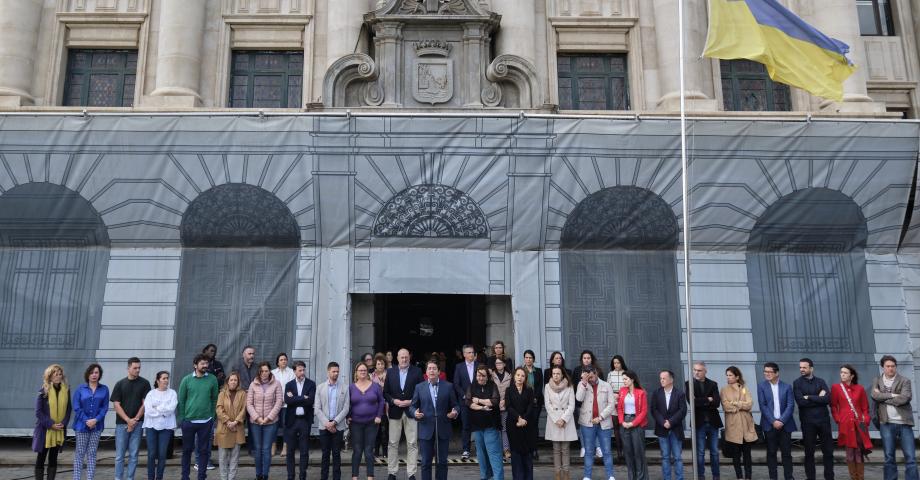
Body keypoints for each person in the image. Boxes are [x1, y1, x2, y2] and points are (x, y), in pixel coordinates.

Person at [410, 359, 460, 480]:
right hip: (426, 428)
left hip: (443, 428)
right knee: (426, 462)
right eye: (429, 368)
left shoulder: (448, 386)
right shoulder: (419, 387)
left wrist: (455, 412)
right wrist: (414, 413)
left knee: (442, 462)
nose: (431, 370)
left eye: (434, 368)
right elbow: (412, 406)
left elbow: (456, 405)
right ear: (426, 372)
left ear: (439, 372)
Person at [870, 355, 917, 480]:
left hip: (904, 423)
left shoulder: (904, 380)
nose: (891, 368)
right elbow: (874, 395)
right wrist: (892, 395)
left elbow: (905, 398)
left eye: (893, 366)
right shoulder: (877, 380)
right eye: (888, 366)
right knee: (889, 457)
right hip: (886, 423)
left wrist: (883, 398)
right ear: (883, 367)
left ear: (896, 367)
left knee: (911, 457)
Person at [178, 354, 220, 480]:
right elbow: (182, 400)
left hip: (206, 422)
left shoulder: (212, 379)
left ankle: (202, 476)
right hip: (189, 422)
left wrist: (212, 417)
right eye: (202, 363)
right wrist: (183, 419)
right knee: (186, 451)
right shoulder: (186, 380)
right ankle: (185, 477)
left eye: (206, 363)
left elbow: (214, 399)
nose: (205, 365)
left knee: (204, 451)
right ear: (195, 365)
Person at [383, 348, 423, 480]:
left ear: (409, 358)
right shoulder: (390, 372)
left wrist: (411, 401)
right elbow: (386, 393)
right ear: (397, 358)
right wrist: (394, 401)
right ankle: (392, 472)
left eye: (406, 357)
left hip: (411, 412)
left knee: (412, 444)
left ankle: (411, 474)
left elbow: (421, 392)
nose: (404, 359)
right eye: (402, 357)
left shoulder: (417, 372)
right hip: (395, 411)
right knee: (392, 443)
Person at [793, 358, 834, 480]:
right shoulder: (797, 383)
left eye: (804, 367)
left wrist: (809, 397)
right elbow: (801, 402)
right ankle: (810, 478)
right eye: (800, 367)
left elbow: (827, 399)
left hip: (824, 422)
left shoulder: (821, 381)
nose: (801, 369)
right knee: (809, 453)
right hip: (808, 423)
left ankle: (830, 477)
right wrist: (818, 397)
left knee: (828, 452)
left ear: (811, 368)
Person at [112, 357, 151, 480]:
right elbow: (116, 405)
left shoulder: (145, 383)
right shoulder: (120, 384)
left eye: (139, 368)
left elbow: (145, 404)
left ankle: (130, 478)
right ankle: (118, 478)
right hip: (121, 424)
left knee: (134, 455)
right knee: (119, 456)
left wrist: (135, 419)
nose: (138, 370)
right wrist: (128, 420)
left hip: (138, 424)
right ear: (128, 368)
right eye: (135, 368)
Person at [831, 364, 872, 480]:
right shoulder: (836, 387)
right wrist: (838, 419)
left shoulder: (860, 388)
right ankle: (853, 477)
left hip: (860, 424)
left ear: (852, 376)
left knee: (859, 451)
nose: (842, 374)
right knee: (849, 452)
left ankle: (861, 477)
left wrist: (866, 419)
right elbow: (833, 406)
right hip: (846, 424)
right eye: (841, 372)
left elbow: (865, 408)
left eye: (845, 373)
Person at [575, 365, 616, 480]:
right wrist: (583, 383)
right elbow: (578, 398)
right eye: (588, 377)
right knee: (588, 451)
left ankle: (610, 476)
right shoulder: (582, 384)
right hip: (587, 423)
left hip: (604, 422)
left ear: (596, 373)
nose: (590, 379)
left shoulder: (606, 385)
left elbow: (611, 404)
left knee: (606, 450)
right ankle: (587, 476)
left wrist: (601, 417)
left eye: (591, 377)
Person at [758, 362, 797, 480]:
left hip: (785, 426)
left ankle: (789, 477)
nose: (767, 374)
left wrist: (781, 421)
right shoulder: (761, 386)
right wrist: (773, 421)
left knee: (786, 453)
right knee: (771, 453)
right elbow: (763, 405)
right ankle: (773, 477)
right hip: (769, 425)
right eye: (765, 371)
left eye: (770, 372)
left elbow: (790, 405)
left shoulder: (787, 387)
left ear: (777, 373)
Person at [33, 364, 71, 480]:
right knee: (41, 457)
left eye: (60, 374)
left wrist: (63, 423)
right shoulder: (43, 392)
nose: (58, 377)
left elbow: (69, 409)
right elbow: (38, 413)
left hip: (59, 429)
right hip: (45, 430)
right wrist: (51, 424)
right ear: (49, 376)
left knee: (53, 458)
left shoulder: (66, 390)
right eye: (56, 375)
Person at [247, 361, 283, 480]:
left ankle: (265, 474)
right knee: (257, 449)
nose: (264, 373)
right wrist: (257, 418)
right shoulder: (253, 384)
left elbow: (279, 402)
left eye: (266, 371)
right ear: (259, 372)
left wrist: (268, 418)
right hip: (256, 422)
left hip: (270, 422)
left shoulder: (276, 384)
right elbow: (249, 403)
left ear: (270, 371)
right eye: (261, 371)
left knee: (266, 449)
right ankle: (258, 475)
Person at [686, 361, 722, 480]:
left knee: (715, 452)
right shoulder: (688, 384)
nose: (696, 372)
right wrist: (708, 399)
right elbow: (692, 402)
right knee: (700, 452)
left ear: (705, 371)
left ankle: (716, 476)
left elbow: (717, 403)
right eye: (695, 370)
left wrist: (701, 400)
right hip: (699, 422)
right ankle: (700, 476)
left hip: (713, 422)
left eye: (699, 370)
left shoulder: (713, 384)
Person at [72, 363, 108, 480]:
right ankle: (76, 478)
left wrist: (96, 420)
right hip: (82, 426)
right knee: (80, 453)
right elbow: (77, 407)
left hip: (96, 427)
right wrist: (87, 420)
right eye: (91, 372)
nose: (94, 375)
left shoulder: (104, 389)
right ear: (87, 374)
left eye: (96, 372)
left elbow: (104, 407)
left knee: (92, 453)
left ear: (99, 375)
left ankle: (90, 478)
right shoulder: (80, 389)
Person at [350, 361, 385, 480]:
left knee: (369, 450)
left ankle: (370, 477)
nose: (363, 372)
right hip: (355, 423)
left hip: (372, 423)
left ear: (367, 372)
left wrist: (379, 416)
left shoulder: (375, 386)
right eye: (360, 370)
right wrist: (348, 416)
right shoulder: (351, 387)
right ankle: (355, 476)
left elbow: (381, 401)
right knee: (357, 450)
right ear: (356, 373)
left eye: (365, 370)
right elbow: (347, 403)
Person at [467, 364, 504, 480]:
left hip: (491, 426)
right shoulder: (472, 387)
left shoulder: (492, 386)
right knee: (481, 455)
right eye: (478, 375)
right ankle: (485, 477)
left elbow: (494, 401)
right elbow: (469, 403)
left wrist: (479, 400)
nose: (480, 378)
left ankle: (498, 478)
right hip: (477, 427)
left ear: (488, 376)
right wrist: (482, 407)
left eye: (483, 376)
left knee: (494, 454)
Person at [721, 366, 756, 480]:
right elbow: (726, 406)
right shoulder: (724, 390)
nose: (728, 377)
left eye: (730, 375)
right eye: (727, 375)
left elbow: (749, 404)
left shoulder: (744, 388)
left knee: (747, 454)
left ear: (737, 376)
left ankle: (748, 477)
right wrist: (740, 405)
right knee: (735, 455)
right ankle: (739, 477)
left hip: (746, 425)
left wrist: (736, 403)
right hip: (733, 426)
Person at [315, 362, 350, 480]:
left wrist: (334, 422)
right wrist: (327, 423)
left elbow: (346, 408)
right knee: (325, 454)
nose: (336, 373)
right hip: (324, 426)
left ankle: (337, 478)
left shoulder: (345, 388)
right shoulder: (320, 388)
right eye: (333, 371)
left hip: (338, 426)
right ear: (328, 371)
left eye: (337, 371)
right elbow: (317, 408)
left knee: (336, 454)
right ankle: (323, 477)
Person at [653, 370, 687, 480]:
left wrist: (671, 422)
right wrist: (663, 422)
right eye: (660, 378)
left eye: (664, 378)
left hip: (676, 430)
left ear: (671, 380)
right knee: (665, 457)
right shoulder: (657, 393)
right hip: (662, 430)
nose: (661, 380)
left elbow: (683, 411)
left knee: (677, 457)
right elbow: (654, 410)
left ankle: (679, 478)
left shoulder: (680, 393)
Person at [544, 365, 576, 480]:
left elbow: (572, 405)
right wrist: (556, 419)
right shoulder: (547, 386)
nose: (556, 376)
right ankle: (557, 474)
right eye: (554, 374)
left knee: (566, 450)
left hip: (566, 420)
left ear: (562, 374)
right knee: (556, 449)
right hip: (554, 421)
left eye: (558, 373)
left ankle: (566, 474)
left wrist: (563, 419)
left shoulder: (569, 386)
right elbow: (547, 405)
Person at [143, 371, 177, 480]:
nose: (166, 380)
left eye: (167, 378)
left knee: (162, 455)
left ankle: (159, 477)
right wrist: (163, 410)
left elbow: (171, 409)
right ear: (158, 380)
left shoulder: (172, 393)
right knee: (151, 454)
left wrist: (157, 407)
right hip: (151, 427)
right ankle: (150, 477)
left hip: (166, 427)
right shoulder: (151, 394)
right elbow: (148, 411)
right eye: (163, 378)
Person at [285, 360, 315, 480]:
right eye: (300, 370)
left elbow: (310, 401)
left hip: (304, 421)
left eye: (303, 370)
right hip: (292, 421)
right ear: (294, 371)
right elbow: (288, 401)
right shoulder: (289, 384)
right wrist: (303, 397)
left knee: (304, 450)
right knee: (290, 451)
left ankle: (302, 475)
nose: (302, 372)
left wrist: (296, 398)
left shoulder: (311, 384)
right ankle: (290, 476)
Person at [507, 367, 538, 480]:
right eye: (518, 375)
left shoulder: (529, 390)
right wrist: (518, 418)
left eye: (522, 376)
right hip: (513, 425)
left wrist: (524, 419)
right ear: (514, 376)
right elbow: (508, 406)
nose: (520, 377)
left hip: (527, 425)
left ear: (525, 378)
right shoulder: (508, 390)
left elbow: (530, 406)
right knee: (516, 455)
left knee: (527, 455)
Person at [618, 370, 648, 480]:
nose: (624, 381)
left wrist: (632, 423)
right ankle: (631, 477)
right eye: (623, 379)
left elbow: (644, 412)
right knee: (628, 452)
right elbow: (620, 408)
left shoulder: (641, 393)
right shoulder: (622, 391)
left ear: (632, 380)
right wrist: (622, 422)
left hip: (637, 422)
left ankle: (641, 477)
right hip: (625, 421)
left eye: (625, 379)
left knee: (638, 452)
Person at [215, 371, 246, 480]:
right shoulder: (222, 393)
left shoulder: (242, 393)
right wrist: (228, 421)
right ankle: (224, 478)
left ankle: (231, 478)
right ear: (227, 381)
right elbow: (219, 409)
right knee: (223, 458)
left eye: (235, 380)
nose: (233, 382)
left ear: (238, 382)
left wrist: (235, 422)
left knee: (234, 458)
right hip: (224, 428)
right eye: (231, 380)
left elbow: (244, 409)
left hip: (237, 428)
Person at [572, 350, 602, 459]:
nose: (586, 360)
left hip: (594, 404)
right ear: (582, 359)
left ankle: (598, 447)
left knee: (595, 426)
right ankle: (583, 448)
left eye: (588, 358)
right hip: (580, 403)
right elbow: (574, 386)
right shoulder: (577, 370)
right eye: (584, 358)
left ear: (591, 359)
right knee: (583, 427)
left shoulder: (597, 370)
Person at [452, 344, 478, 460]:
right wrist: (464, 396)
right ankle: (466, 450)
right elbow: (456, 384)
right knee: (466, 426)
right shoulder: (459, 367)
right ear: (464, 355)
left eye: (472, 352)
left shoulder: (479, 366)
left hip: (478, 401)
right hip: (464, 401)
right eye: (468, 352)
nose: (471, 354)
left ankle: (480, 449)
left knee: (478, 426)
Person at [272, 352, 296, 458]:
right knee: (274, 425)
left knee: (286, 425)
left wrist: (285, 399)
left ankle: (285, 447)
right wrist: (277, 399)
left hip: (287, 404)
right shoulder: (272, 373)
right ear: (277, 362)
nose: (283, 361)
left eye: (285, 359)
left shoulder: (291, 372)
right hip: (274, 404)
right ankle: (273, 446)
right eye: (281, 360)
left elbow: (292, 388)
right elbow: (270, 388)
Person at [606, 355, 627, 461]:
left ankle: (626, 450)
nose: (616, 365)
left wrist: (622, 397)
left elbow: (629, 387)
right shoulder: (610, 374)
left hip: (625, 401)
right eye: (614, 363)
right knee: (616, 429)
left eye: (618, 362)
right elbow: (608, 389)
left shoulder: (626, 373)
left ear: (622, 363)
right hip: (613, 401)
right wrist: (613, 399)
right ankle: (619, 452)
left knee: (624, 427)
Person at [492, 356, 512, 461]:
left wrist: (505, 400)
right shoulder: (492, 375)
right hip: (494, 406)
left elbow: (511, 390)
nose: (498, 365)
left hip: (505, 406)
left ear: (504, 364)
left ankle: (506, 449)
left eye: (500, 363)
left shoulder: (509, 376)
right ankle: (497, 450)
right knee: (495, 429)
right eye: (496, 364)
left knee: (504, 428)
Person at [371, 353, 389, 458]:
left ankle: (386, 452)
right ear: (375, 365)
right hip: (375, 406)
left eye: (382, 364)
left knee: (385, 430)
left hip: (386, 406)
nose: (380, 366)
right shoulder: (371, 376)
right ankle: (376, 451)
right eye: (378, 364)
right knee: (376, 430)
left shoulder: (389, 375)